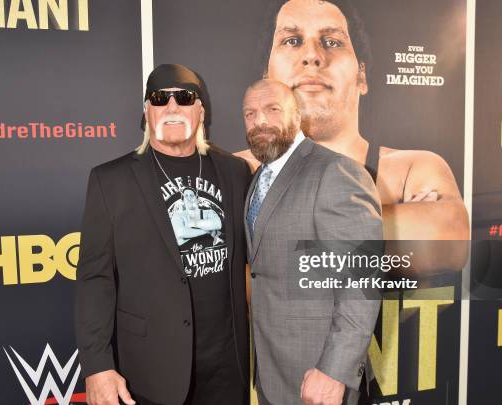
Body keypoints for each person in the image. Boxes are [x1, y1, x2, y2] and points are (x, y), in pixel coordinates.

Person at [236, 0, 469, 274]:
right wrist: (393, 229)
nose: (312, 56)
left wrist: (272, 236)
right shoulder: (236, 172)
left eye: (332, 41)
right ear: (267, 76)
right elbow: (235, 287)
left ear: (362, 76)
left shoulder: (411, 169)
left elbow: (447, 242)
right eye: (292, 40)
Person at [75, 64, 250, 405]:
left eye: (184, 98)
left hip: (228, 369)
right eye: (159, 99)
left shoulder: (234, 171)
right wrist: (96, 365)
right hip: (152, 370)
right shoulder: (110, 181)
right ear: (147, 112)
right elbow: (94, 279)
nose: (172, 107)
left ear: (200, 110)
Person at [243, 78, 382, 405]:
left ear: (297, 115)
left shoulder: (335, 171)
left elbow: (361, 281)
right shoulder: (257, 178)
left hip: (320, 375)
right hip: (272, 371)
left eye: (272, 109)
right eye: (249, 114)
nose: (259, 121)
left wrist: (335, 371)